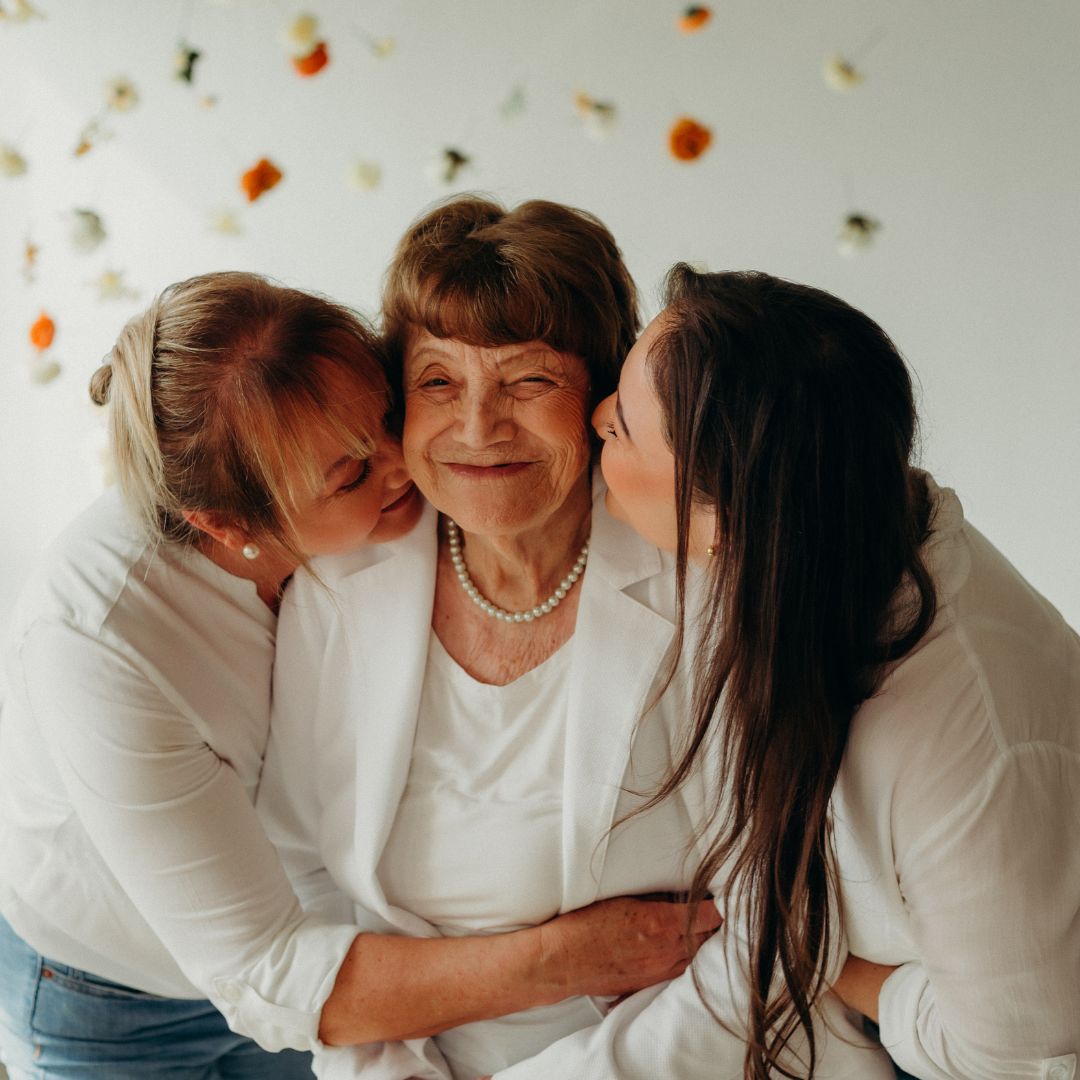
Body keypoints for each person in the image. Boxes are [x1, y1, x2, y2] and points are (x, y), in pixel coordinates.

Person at [0, 271, 711, 1080]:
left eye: (385, 417)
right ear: (228, 527)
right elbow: (264, 975)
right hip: (124, 1000)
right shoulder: (102, 644)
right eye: (349, 473)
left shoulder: (364, 518)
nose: (402, 464)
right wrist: (575, 958)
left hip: (342, 967)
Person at [258, 197, 896, 1080]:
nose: (478, 427)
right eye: (439, 381)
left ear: (603, 396)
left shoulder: (705, 571)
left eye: (528, 381)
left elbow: (777, 918)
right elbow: (302, 879)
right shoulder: (341, 581)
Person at [591, 264, 1080, 1080]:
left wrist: (841, 972)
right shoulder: (807, 551)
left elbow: (1022, 1057)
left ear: (728, 514)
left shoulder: (962, 741)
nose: (598, 415)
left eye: (627, 429)